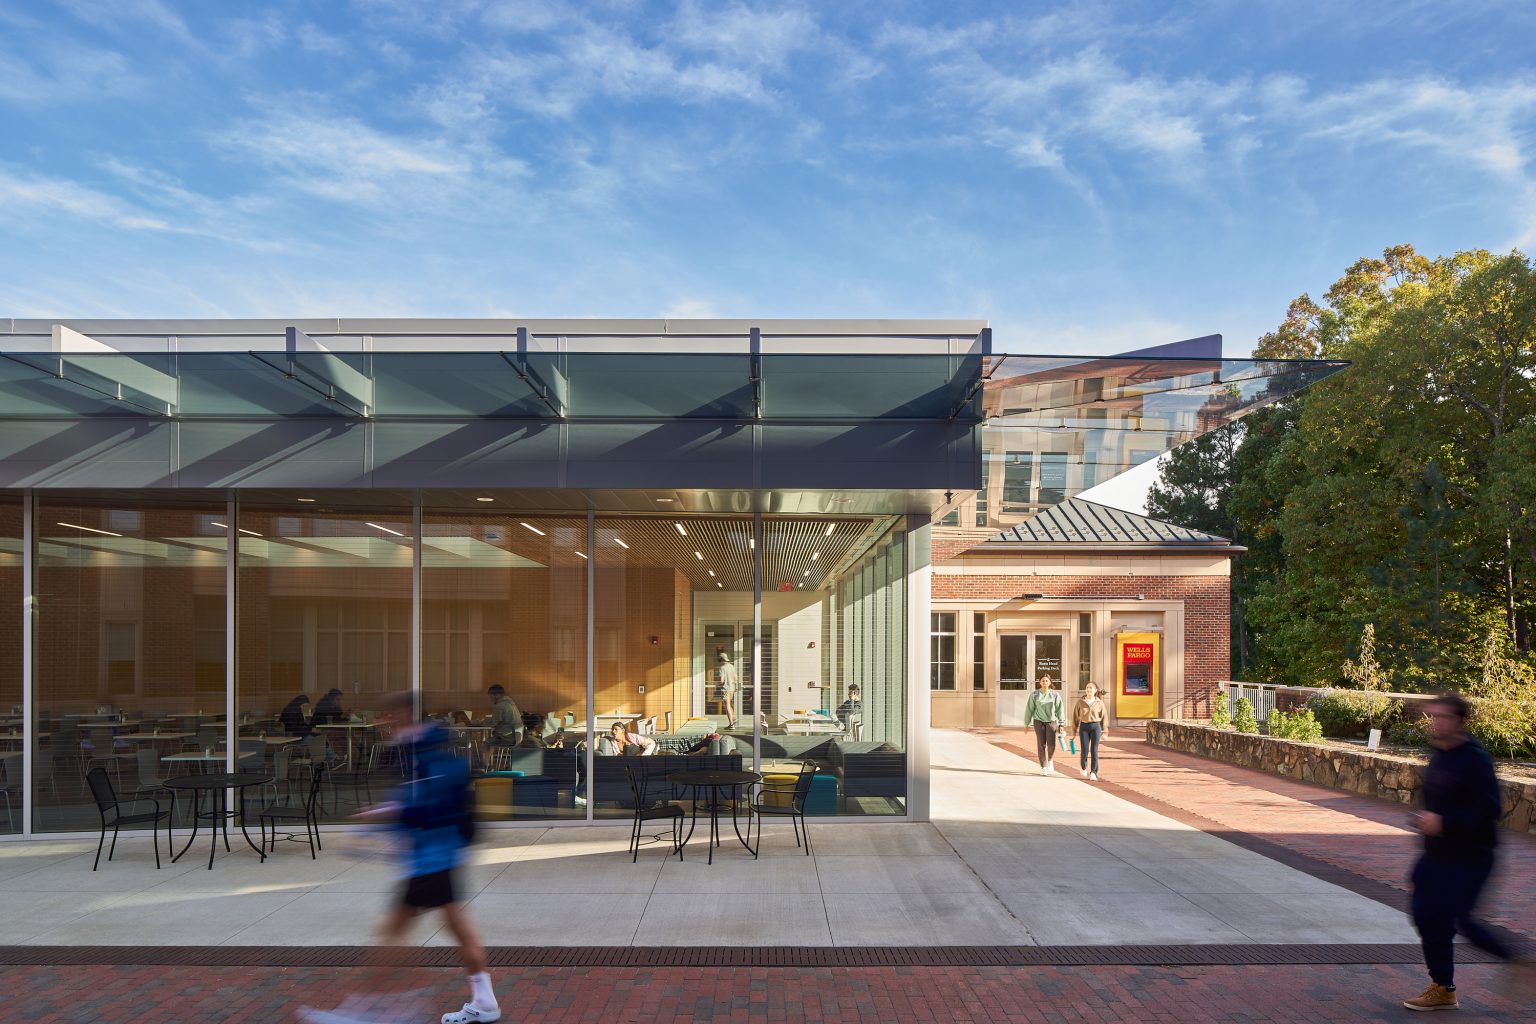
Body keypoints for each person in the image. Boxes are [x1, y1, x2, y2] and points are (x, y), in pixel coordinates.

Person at [303, 690, 498, 1024]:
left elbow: (425, 807)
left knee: (393, 935)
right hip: (436, 857)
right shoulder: (420, 751)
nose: (385, 724)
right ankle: (484, 1001)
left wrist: (382, 816)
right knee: (454, 929)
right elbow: (415, 801)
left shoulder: (424, 754)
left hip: (432, 859)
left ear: (406, 714)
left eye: (390, 716)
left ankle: (370, 1010)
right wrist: (380, 819)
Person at [1402, 691, 1532, 1011]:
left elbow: (1489, 810)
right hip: (1436, 854)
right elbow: (1436, 801)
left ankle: (1520, 963)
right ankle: (1443, 987)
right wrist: (1424, 819)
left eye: (1442, 716)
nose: (1435, 722)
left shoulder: (1476, 759)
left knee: (1462, 919)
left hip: (1471, 855)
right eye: (1433, 716)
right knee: (1425, 913)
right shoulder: (1438, 754)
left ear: (1458, 721)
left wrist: (1445, 822)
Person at [1023, 674, 1065, 775]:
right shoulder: (1034, 695)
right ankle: (1043, 766)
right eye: (1043, 681)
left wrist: (1061, 724)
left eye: (1046, 681)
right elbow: (1029, 709)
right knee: (1041, 744)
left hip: (1051, 722)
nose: (1044, 682)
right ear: (1040, 682)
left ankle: (1050, 760)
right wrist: (1026, 724)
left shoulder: (1055, 695)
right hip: (1038, 722)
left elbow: (1060, 709)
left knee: (1051, 745)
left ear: (1050, 682)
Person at [1070, 682, 1110, 781]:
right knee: (1084, 750)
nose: (1089, 690)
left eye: (1091, 688)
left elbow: (1104, 717)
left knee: (1094, 750)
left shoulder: (1099, 702)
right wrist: (1073, 732)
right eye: (1087, 688)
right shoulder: (1080, 702)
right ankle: (1083, 767)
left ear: (1095, 690)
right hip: (1084, 727)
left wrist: (1105, 730)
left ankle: (1093, 772)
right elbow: (1075, 717)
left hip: (1095, 727)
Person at [716, 651, 739, 729]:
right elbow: (736, 678)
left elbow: (721, 681)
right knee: (730, 704)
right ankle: (733, 719)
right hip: (732, 688)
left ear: (721, 659)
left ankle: (731, 724)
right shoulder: (732, 666)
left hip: (725, 689)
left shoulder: (722, 668)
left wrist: (717, 684)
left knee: (727, 706)